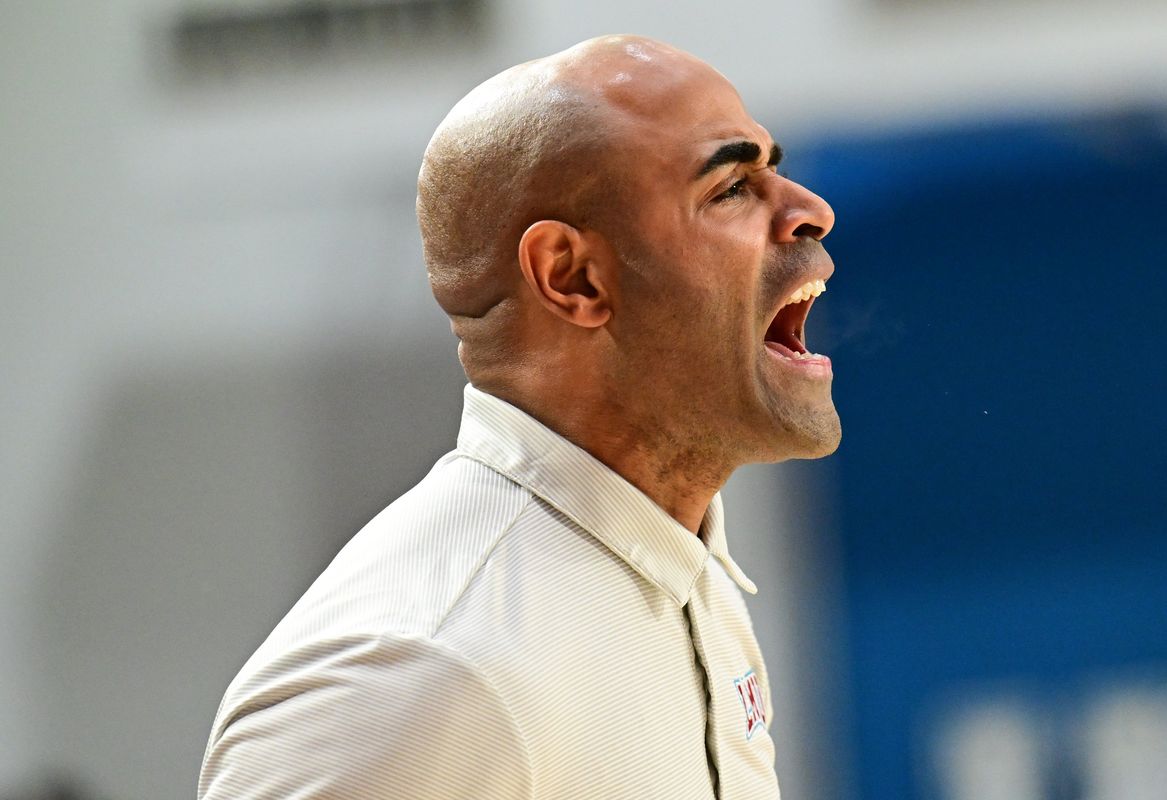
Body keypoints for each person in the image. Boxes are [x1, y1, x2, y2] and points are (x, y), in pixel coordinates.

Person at [198, 33, 838, 799]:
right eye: (731, 187)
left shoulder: (676, 572)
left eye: (776, 168)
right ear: (572, 276)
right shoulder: (417, 673)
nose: (811, 211)